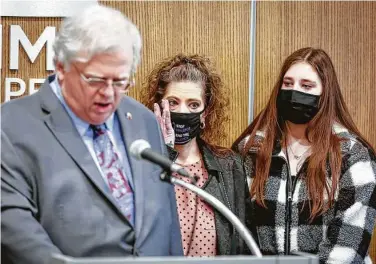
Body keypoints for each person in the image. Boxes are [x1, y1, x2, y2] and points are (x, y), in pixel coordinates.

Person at [1, 5, 183, 264]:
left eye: (120, 82)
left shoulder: (143, 121)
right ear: (61, 68)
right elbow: (15, 233)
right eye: (96, 80)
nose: (109, 93)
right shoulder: (10, 125)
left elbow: (166, 225)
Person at [233, 47, 376, 263]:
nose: (295, 92)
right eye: (288, 84)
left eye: (306, 86)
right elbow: (240, 233)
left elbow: (349, 244)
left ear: (325, 93)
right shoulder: (251, 150)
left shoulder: (353, 155)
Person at [140, 54, 247, 256]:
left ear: (205, 113)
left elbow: (242, 242)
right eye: (173, 103)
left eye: (193, 105)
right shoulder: (141, 162)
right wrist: (165, 151)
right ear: (158, 106)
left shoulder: (229, 165)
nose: (182, 111)